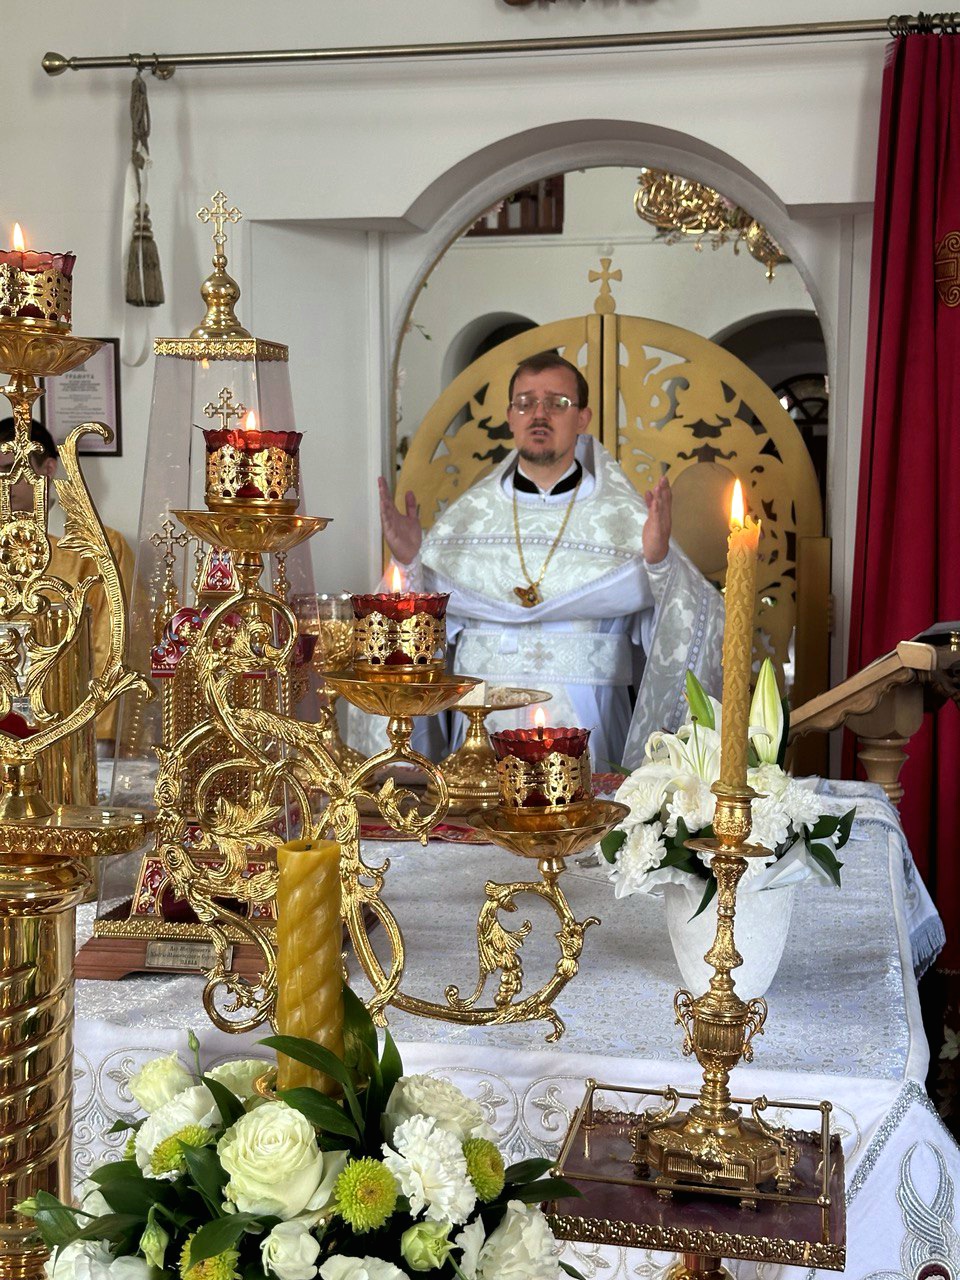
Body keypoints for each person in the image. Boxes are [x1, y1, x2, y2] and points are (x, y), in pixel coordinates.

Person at [376, 352, 724, 767]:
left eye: (557, 403)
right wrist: (411, 565)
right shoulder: (466, 522)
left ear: (582, 418)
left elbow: (696, 615)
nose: (538, 414)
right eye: (525, 403)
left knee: (584, 829)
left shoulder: (625, 519)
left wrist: (660, 564)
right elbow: (416, 635)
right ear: (510, 416)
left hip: (588, 725)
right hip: (480, 731)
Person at [0, 418, 135, 742]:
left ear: (47, 469)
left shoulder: (99, 549)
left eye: (6, 471)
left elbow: (111, 648)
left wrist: (99, 737)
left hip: (69, 731)